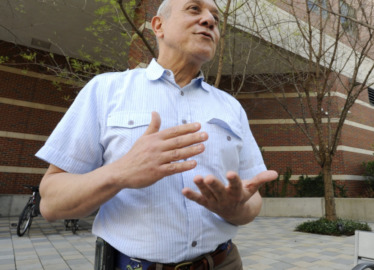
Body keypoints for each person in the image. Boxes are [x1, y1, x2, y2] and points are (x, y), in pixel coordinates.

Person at [35, 0, 277, 269]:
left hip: (224, 262)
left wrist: (234, 209)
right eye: (194, 9)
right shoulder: (105, 90)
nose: (209, 20)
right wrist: (121, 172)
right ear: (158, 26)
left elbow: (252, 197)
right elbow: (51, 203)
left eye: (216, 18)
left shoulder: (232, 107)